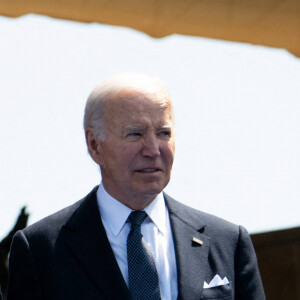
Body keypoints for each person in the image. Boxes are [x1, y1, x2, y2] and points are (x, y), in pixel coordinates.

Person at [7, 73, 265, 300]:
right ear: (94, 144)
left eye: (164, 133)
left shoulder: (228, 242)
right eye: (135, 134)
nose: (153, 150)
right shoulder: (41, 250)